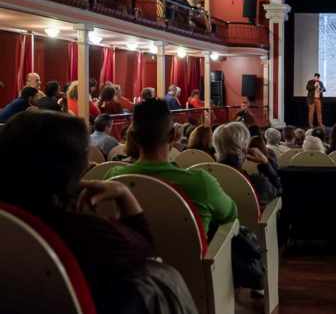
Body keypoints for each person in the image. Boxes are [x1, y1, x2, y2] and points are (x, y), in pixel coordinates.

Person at [0, 111, 162, 312]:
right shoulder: (80, 231)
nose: (88, 163)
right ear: (65, 167)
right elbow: (145, 249)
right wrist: (123, 194)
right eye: (83, 154)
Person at [105, 99, 238, 235]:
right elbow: (231, 217)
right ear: (173, 135)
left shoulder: (112, 179)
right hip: (189, 256)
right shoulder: (201, 183)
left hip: (131, 255)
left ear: (132, 137)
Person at [214, 122, 282, 210]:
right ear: (245, 147)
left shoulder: (207, 179)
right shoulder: (258, 182)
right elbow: (278, 192)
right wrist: (265, 163)